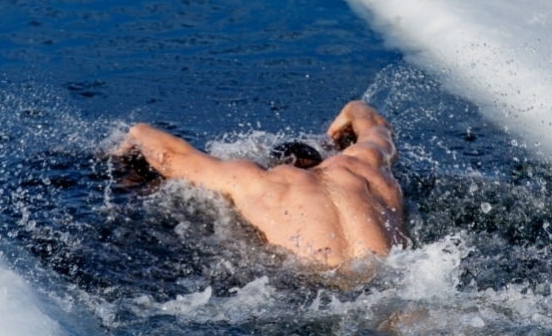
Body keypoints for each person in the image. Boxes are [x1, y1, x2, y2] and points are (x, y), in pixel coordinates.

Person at [112, 101, 406, 267]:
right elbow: (377, 125)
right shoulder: (365, 164)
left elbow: (168, 156)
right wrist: (353, 108)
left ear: (278, 165)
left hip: (318, 286)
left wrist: (138, 132)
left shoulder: (258, 181)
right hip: (397, 273)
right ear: (323, 157)